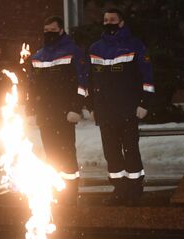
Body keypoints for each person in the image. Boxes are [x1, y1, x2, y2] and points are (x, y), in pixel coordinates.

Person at [88, 8, 154, 206]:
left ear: (122, 22)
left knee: (131, 150)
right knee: (111, 152)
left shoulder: (136, 46)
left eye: (113, 19)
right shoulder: (95, 48)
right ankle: (119, 189)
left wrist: (145, 103)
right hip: (105, 111)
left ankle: (134, 190)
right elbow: (90, 80)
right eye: (106, 19)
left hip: (128, 109)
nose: (108, 23)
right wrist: (91, 106)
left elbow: (147, 77)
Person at [26, 16, 88, 205]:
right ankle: (55, 190)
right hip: (46, 114)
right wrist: (31, 108)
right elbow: (32, 85)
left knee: (66, 152)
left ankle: (69, 194)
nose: (49, 33)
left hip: (65, 113)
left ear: (61, 30)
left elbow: (82, 82)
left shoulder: (73, 52)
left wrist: (76, 107)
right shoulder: (38, 56)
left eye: (53, 30)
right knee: (51, 154)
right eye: (46, 30)